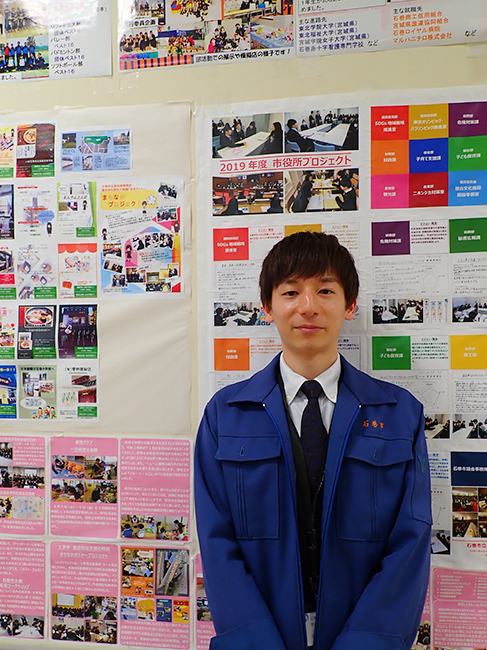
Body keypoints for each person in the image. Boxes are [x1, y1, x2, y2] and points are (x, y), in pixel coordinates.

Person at [195, 231, 432, 650]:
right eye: (290, 292)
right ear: (267, 307)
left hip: (362, 635)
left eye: (325, 290)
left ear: (350, 305)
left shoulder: (400, 414)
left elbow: (410, 543)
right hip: (262, 636)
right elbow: (217, 544)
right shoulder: (225, 415)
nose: (308, 306)